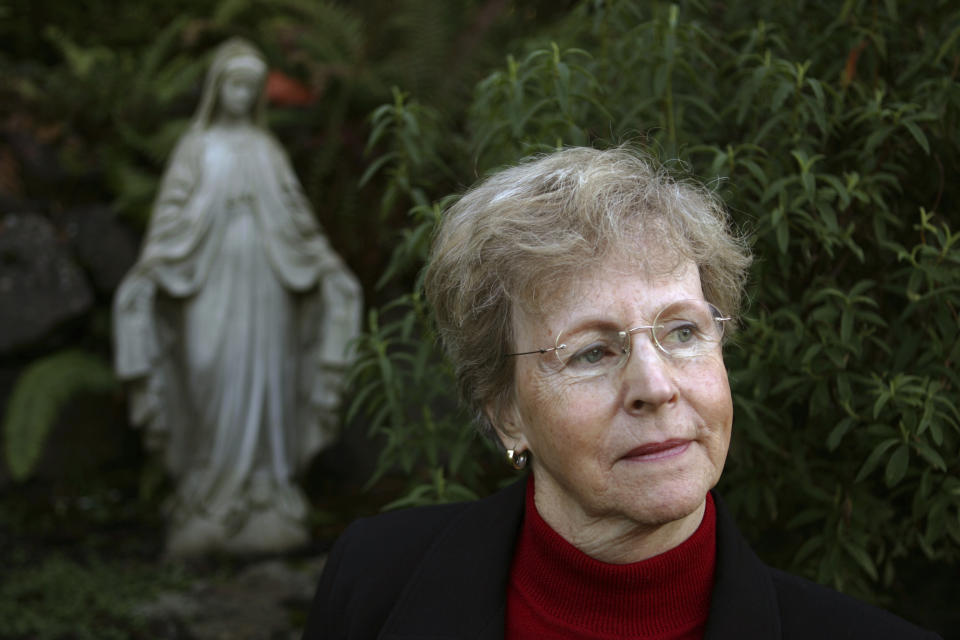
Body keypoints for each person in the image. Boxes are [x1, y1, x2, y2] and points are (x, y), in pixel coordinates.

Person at [302, 147, 939, 639]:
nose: (655, 387)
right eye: (591, 351)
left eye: (683, 332)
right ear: (506, 412)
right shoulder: (374, 580)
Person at [113, 38, 361, 556]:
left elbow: (295, 217)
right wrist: (156, 266)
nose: (242, 94)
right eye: (234, 84)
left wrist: (323, 261)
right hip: (205, 278)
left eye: (251, 87)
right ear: (216, 88)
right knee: (207, 369)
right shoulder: (195, 148)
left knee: (266, 378)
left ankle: (263, 491)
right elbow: (169, 217)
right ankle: (206, 495)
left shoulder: (268, 151)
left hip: (266, 283)